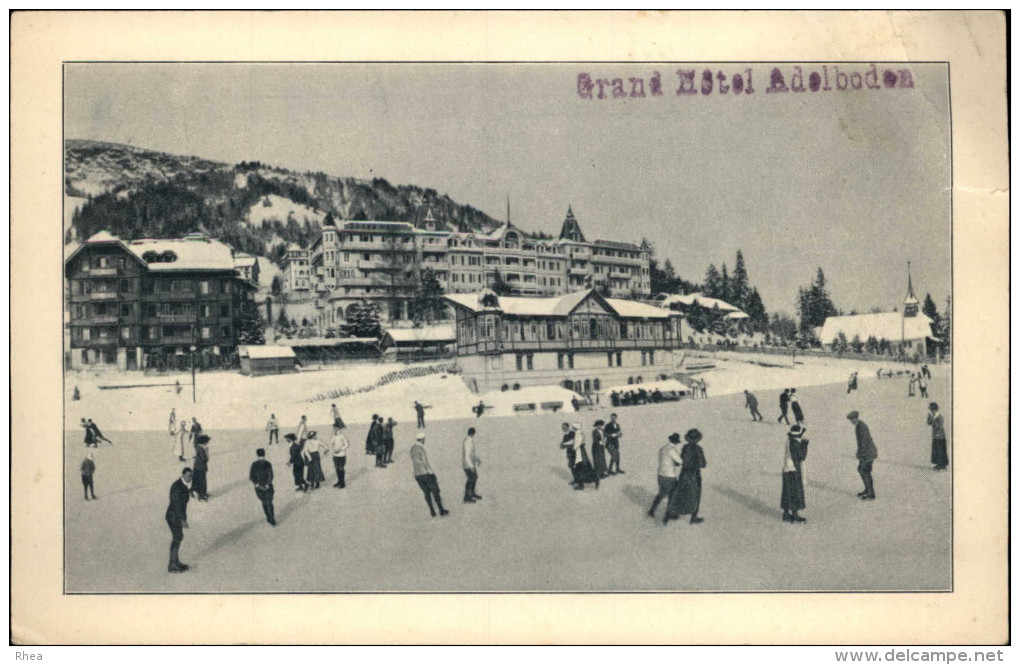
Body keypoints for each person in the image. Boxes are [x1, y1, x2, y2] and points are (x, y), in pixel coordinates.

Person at [664, 429, 706, 525]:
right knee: (695, 495)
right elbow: (703, 464)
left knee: (680, 493)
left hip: (684, 474)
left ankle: (672, 513)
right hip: (694, 475)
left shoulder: (685, 447)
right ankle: (693, 517)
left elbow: (681, 460)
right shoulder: (698, 449)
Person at [410, 433, 449, 517]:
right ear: (422, 439)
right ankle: (441, 510)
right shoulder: (421, 449)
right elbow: (425, 462)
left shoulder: (412, 448)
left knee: (426, 492)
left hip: (417, 474)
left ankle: (432, 511)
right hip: (426, 473)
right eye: (424, 439)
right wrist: (431, 472)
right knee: (435, 491)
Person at [647, 433, 682, 518]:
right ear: (677, 442)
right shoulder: (672, 450)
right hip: (669, 476)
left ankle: (652, 510)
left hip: (661, 474)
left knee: (661, 493)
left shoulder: (663, 449)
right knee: (672, 495)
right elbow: (680, 462)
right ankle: (669, 513)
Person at [165, 468, 192, 573]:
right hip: (173, 516)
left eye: (191, 476)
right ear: (183, 475)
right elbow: (177, 505)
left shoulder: (183, 485)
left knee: (178, 537)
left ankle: (175, 561)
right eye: (188, 476)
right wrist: (182, 520)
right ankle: (172, 564)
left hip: (177, 516)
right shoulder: (177, 486)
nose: (190, 478)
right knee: (177, 537)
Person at [847, 411, 877, 500]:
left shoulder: (861, 426)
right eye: (850, 420)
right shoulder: (858, 426)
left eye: (852, 419)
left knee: (865, 471)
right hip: (865, 452)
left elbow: (864, 442)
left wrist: (862, 454)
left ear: (856, 418)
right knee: (861, 470)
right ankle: (867, 489)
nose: (851, 421)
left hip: (869, 453)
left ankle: (871, 494)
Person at [781, 425, 809, 523]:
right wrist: (805, 446)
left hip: (787, 469)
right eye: (801, 434)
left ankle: (785, 513)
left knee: (787, 492)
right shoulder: (795, 443)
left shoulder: (790, 440)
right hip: (793, 470)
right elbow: (801, 456)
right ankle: (795, 515)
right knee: (795, 492)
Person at [249, 448, 276, 526]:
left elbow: (251, 477)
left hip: (259, 488)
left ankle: (268, 516)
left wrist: (257, 485)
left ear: (257, 455)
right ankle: (272, 519)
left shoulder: (254, 464)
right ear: (264, 454)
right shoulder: (268, 463)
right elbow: (271, 475)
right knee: (269, 503)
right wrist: (267, 484)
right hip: (268, 487)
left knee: (264, 502)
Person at [462, 427, 482, 503]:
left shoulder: (470, 441)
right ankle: (467, 497)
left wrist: (477, 459)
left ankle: (472, 493)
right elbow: (467, 455)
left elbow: (472, 453)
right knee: (470, 479)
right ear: (473, 433)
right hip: (468, 465)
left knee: (474, 477)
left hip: (470, 464)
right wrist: (471, 466)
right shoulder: (468, 442)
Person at [927, 402, 949, 471]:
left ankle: (941, 465)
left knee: (940, 451)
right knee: (936, 450)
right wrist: (929, 419)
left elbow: (939, 426)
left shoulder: (939, 417)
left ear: (935, 409)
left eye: (932, 410)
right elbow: (929, 423)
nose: (931, 411)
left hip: (940, 437)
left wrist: (933, 420)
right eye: (931, 410)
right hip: (936, 436)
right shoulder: (934, 416)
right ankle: (940, 465)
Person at [330, 422, 350, 488]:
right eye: (333, 428)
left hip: (341, 455)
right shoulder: (334, 435)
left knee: (341, 469)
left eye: (335, 427)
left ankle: (342, 483)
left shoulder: (342, 435)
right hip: (335, 455)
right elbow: (331, 443)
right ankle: (339, 481)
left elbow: (347, 444)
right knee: (337, 469)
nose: (334, 429)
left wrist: (341, 449)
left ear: (338, 428)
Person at [192, 434, 210, 501]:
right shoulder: (201, 448)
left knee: (200, 481)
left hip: (198, 466)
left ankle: (203, 493)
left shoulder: (199, 447)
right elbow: (204, 458)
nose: (207, 443)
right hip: (200, 467)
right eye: (206, 441)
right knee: (201, 481)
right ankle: (201, 496)